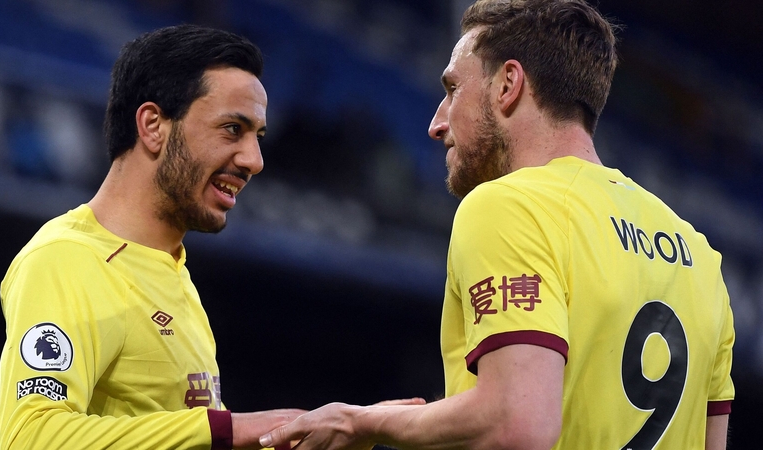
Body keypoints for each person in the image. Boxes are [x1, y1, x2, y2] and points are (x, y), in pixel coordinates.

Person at [259, 0, 735, 449]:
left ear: (508, 84)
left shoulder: (512, 204)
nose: (436, 123)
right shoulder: (700, 256)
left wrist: (357, 421)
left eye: (452, 89)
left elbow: (518, 423)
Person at [0, 24, 305, 450]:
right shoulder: (68, 258)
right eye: (233, 128)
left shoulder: (173, 273)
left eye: (259, 137)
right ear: (153, 125)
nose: (255, 160)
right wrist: (232, 428)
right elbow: (30, 437)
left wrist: (343, 428)